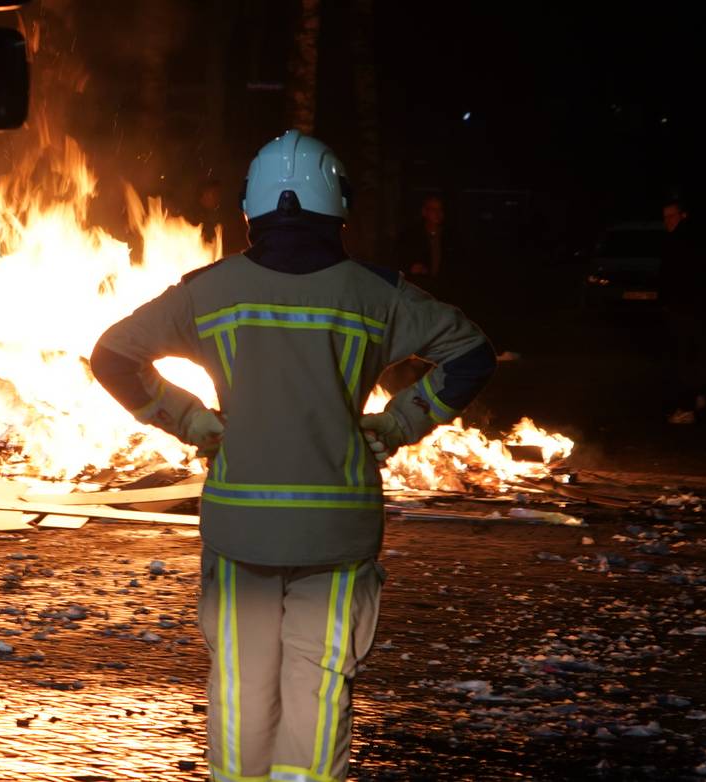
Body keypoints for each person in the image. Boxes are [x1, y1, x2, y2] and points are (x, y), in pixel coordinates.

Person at [90, 130, 496, 782]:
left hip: (241, 525)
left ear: (250, 209)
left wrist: (188, 420)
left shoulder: (209, 290)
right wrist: (398, 423)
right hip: (337, 529)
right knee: (319, 685)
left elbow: (113, 356)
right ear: (340, 206)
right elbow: (472, 354)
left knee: (242, 687)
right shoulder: (378, 294)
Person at [659, 197, 706, 424]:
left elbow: (684, 277)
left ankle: (686, 408)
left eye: (672, 216)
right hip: (689, 307)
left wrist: (673, 300)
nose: (667, 221)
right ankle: (697, 397)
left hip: (686, 308)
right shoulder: (684, 239)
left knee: (685, 358)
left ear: (683, 216)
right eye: (665, 217)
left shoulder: (684, 242)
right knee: (691, 354)